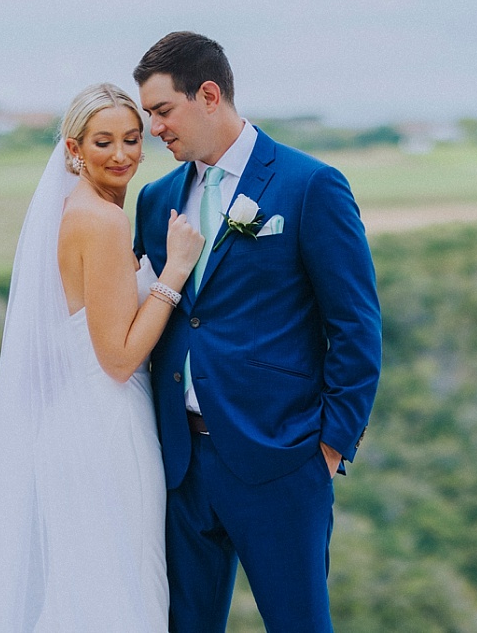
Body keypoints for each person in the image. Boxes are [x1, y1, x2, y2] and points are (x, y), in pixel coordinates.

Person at [133, 32, 381, 633]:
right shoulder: (155, 199)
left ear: (209, 95)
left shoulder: (308, 185)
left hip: (281, 459)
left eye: (163, 111)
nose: (154, 129)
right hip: (180, 465)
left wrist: (327, 447)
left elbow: (355, 325)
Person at [0, 84, 205, 633]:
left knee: (85, 585)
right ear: (74, 149)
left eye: (132, 140)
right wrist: (174, 272)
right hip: (108, 424)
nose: (121, 155)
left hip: (73, 422)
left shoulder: (76, 211)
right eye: (104, 142)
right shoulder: (103, 220)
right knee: (122, 585)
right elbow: (117, 357)